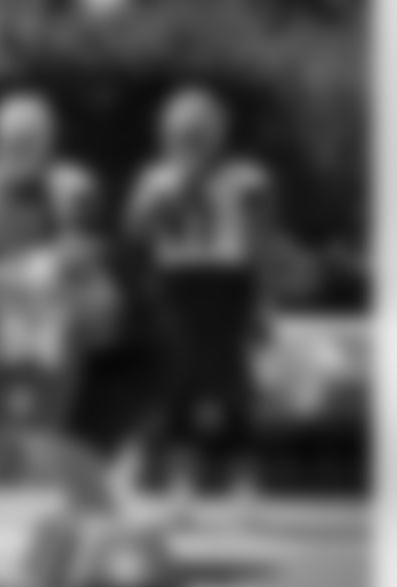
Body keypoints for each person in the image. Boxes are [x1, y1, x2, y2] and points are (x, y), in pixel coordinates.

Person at [0, 92, 138, 527]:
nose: (20, 149)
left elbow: (95, 247)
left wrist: (57, 262)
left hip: (56, 313)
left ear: (48, 141)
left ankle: (85, 493)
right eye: (11, 139)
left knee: (65, 407)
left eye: (30, 139)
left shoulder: (72, 187)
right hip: (2, 311)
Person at [125, 86, 278, 515]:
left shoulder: (248, 178)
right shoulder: (156, 178)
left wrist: (263, 301)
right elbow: (136, 232)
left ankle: (245, 485)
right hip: (177, 285)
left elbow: (262, 242)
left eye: (200, 131)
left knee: (233, 387)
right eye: (182, 132)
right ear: (167, 135)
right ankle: (181, 486)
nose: (191, 140)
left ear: (218, 133)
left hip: (230, 285)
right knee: (178, 386)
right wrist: (167, 192)